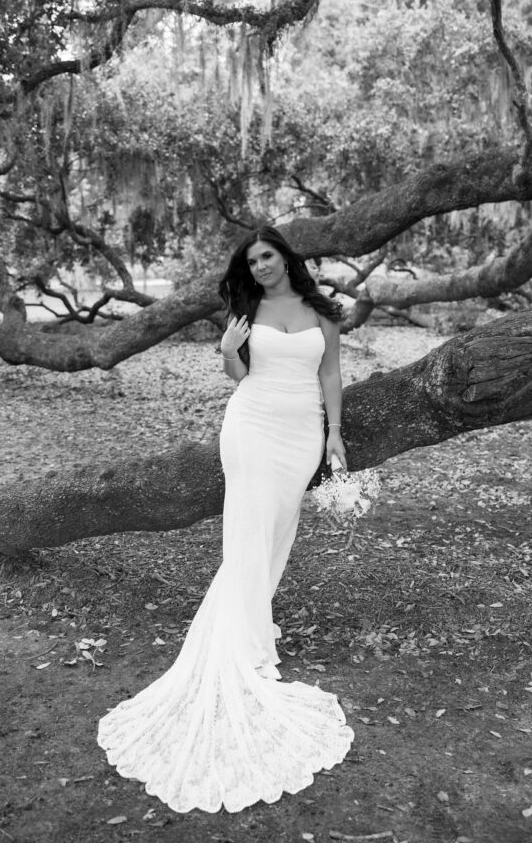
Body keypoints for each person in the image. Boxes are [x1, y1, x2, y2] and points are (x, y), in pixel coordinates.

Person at [97, 226, 354, 813]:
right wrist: (226, 354)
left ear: (286, 257)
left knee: (276, 535)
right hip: (251, 425)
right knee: (246, 534)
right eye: (252, 260)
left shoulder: (323, 311)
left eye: (267, 256)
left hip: (299, 436)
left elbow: (331, 375)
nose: (260, 266)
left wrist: (334, 435)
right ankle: (239, 642)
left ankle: (250, 625)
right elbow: (241, 381)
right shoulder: (247, 307)